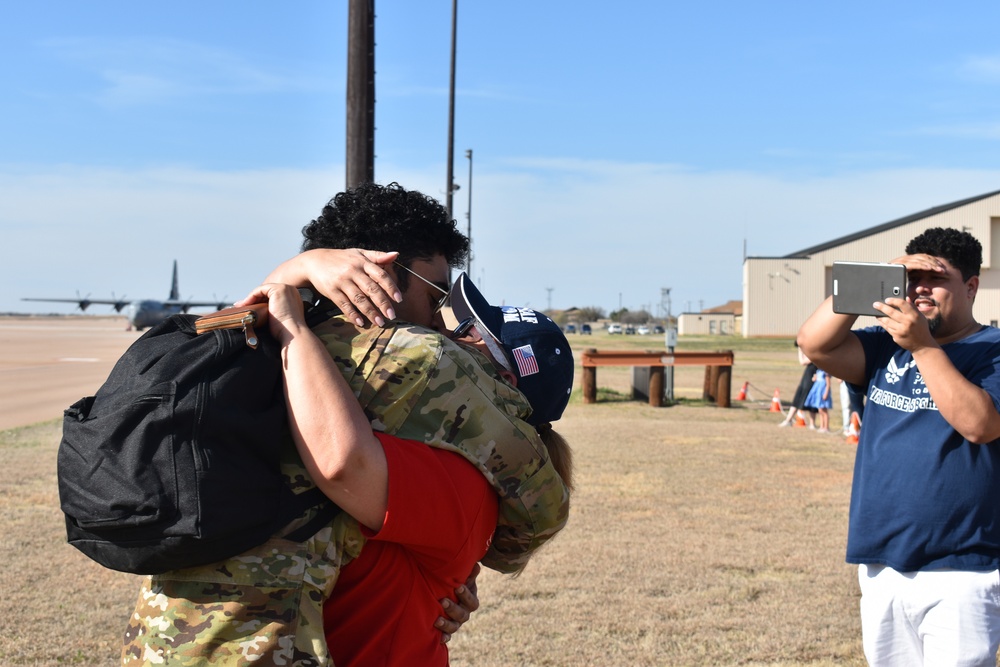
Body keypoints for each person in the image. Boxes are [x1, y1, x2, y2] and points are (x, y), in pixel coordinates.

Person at [122, 184, 573, 664]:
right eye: (439, 298)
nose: (446, 328)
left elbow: (225, 341)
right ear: (378, 275)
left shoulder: (272, 349)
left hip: (163, 638)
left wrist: (296, 281)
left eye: (470, 333)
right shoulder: (410, 388)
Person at [797, 227, 1000, 666]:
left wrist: (925, 348)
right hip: (882, 560)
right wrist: (875, 278)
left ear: (970, 287)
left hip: (962, 567)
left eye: (936, 278)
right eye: (912, 278)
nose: (920, 288)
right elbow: (813, 343)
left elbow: (979, 425)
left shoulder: (993, 349)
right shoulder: (885, 345)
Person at [778, 343, 817, 428]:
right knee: (797, 399)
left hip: (811, 379)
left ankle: (812, 424)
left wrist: (800, 351)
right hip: (807, 377)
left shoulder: (815, 355)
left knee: (811, 400)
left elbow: (802, 362)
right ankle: (789, 420)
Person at [803, 367, 832, 433]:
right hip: (817, 391)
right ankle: (822, 426)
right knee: (820, 410)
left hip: (822, 391)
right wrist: (814, 378)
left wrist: (826, 393)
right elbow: (815, 379)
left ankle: (826, 427)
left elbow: (828, 384)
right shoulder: (818, 371)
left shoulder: (826, 372)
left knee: (824, 411)